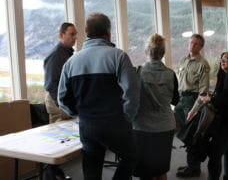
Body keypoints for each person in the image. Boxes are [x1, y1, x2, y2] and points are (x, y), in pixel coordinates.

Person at [58, 13, 140, 180]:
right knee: (132, 156)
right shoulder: (119, 56)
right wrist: (127, 116)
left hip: (87, 125)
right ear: (108, 32)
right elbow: (132, 91)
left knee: (92, 168)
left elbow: (62, 98)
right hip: (115, 123)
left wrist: (79, 113)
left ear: (87, 32)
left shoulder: (71, 63)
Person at [133, 33, 179, 180]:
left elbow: (132, 99)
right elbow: (175, 101)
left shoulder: (138, 72)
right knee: (161, 169)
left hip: (142, 127)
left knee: (144, 171)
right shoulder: (171, 74)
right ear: (163, 52)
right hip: (165, 127)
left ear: (146, 51)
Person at [196, 51, 228, 180]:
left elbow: (225, 99)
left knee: (215, 154)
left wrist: (209, 99)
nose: (222, 61)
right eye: (221, 58)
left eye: (226, 58)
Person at [43, 22, 77, 180]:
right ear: (61, 35)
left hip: (63, 100)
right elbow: (51, 83)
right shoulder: (57, 54)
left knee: (63, 140)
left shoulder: (68, 53)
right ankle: (51, 173)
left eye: (75, 34)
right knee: (57, 139)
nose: (74, 37)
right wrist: (62, 103)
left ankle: (55, 173)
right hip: (57, 101)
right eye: (71, 34)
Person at [175, 34, 210, 177]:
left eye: (196, 44)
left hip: (192, 101)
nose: (192, 46)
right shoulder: (183, 60)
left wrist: (194, 110)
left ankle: (194, 168)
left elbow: (203, 92)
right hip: (181, 100)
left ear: (201, 47)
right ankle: (191, 164)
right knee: (186, 135)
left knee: (192, 135)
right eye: (191, 43)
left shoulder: (203, 64)